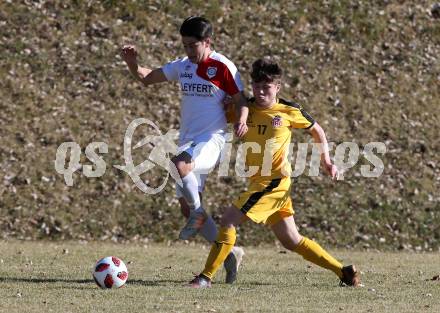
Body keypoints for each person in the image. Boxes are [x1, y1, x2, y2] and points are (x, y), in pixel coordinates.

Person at [188, 58, 361, 288]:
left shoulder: (289, 111)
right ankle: (344, 272)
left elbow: (317, 130)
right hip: (260, 184)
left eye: (266, 87)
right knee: (292, 240)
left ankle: (205, 278)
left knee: (228, 220)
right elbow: (216, 114)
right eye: (256, 86)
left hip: (273, 183)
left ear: (277, 87)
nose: (260, 92)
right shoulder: (245, 108)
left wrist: (327, 161)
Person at [120, 16, 248, 283]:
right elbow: (146, 78)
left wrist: (242, 120)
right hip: (188, 140)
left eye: (193, 46)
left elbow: (241, 99)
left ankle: (200, 214)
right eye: (185, 45)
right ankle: (230, 252)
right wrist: (132, 65)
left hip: (213, 140)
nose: (189, 51)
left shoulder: (223, 66)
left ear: (207, 42)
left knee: (179, 165)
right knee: (186, 210)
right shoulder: (183, 66)